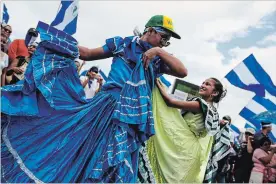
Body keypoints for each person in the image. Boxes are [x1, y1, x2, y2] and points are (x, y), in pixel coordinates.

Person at [1, 15, 187, 183]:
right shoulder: (122, 44)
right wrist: (57, 43)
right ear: (151, 30)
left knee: (116, 161)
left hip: (130, 116)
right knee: (83, 149)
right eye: (163, 37)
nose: (164, 42)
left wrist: (159, 52)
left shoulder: (158, 59)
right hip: (105, 107)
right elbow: (88, 54)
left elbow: (182, 72)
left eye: (167, 41)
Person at [138, 78, 226, 183]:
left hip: (184, 147)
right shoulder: (213, 111)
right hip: (192, 150)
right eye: (203, 82)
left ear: (215, 93)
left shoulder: (199, 105)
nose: (202, 85)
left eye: (207, 84)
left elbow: (169, 102)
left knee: (169, 176)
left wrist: (157, 82)